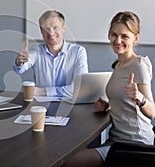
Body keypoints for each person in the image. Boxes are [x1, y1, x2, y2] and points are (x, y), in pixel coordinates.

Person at [64, 11, 155, 167]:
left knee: (69, 162)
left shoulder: (139, 65)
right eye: (114, 35)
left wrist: (140, 97)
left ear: (136, 38)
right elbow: (126, 103)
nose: (118, 40)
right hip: (116, 141)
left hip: (134, 145)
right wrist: (108, 105)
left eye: (124, 36)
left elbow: (152, 112)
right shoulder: (118, 65)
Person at [13, 10, 88, 97]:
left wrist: (42, 92)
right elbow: (20, 69)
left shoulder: (78, 51)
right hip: (41, 107)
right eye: (46, 29)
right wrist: (19, 62)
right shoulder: (36, 51)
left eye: (55, 28)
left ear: (63, 28)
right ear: (41, 31)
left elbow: (80, 88)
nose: (51, 33)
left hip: (69, 107)